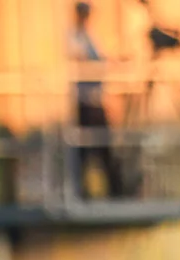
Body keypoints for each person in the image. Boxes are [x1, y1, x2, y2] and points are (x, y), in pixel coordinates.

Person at [70, 3, 117, 198]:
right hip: (85, 101)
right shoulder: (74, 36)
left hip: (96, 100)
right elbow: (80, 60)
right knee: (85, 149)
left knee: (103, 146)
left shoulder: (90, 36)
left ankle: (114, 190)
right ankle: (81, 191)